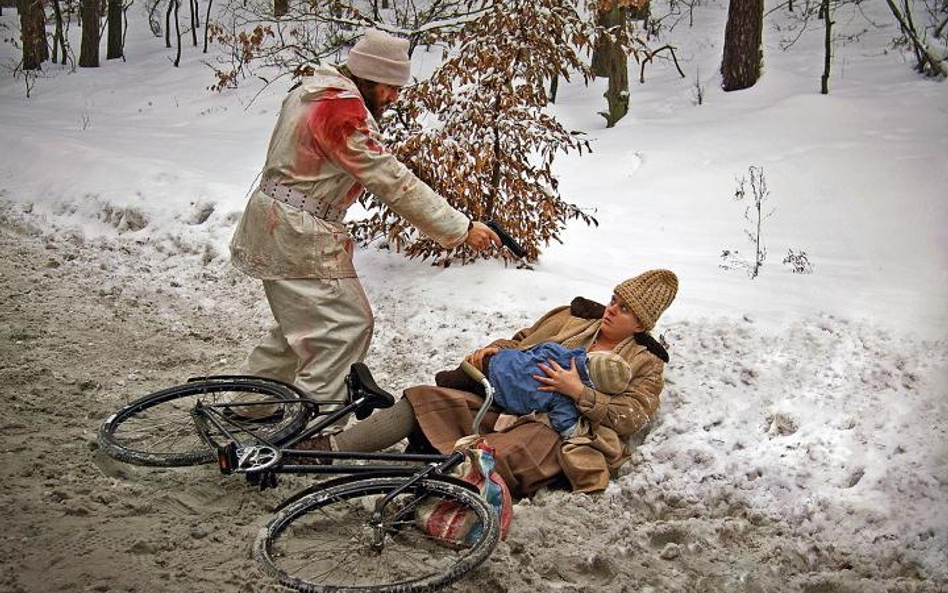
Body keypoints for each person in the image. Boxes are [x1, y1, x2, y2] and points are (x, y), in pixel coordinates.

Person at [229, 28, 500, 407]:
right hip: (298, 231)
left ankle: (247, 406)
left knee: (302, 329)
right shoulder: (340, 111)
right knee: (344, 327)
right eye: (388, 86)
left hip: (283, 223)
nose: (393, 97)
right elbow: (391, 180)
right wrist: (460, 228)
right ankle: (315, 428)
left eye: (398, 88)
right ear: (365, 75)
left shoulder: (312, 92)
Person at [304, 269, 679, 497]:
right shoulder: (575, 318)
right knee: (425, 400)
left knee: (489, 454)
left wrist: (578, 391)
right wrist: (492, 353)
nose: (611, 309)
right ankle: (330, 447)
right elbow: (521, 341)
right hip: (506, 403)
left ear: (642, 324)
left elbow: (632, 417)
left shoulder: (645, 362)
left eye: (624, 309)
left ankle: (417, 491)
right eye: (614, 299)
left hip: (557, 431)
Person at [435, 343, 633, 439]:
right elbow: (564, 425)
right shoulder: (563, 397)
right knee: (468, 391)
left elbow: (539, 346)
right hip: (497, 390)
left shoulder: (561, 352)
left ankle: (447, 379)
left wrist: (511, 354)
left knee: (457, 380)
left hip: (496, 362)